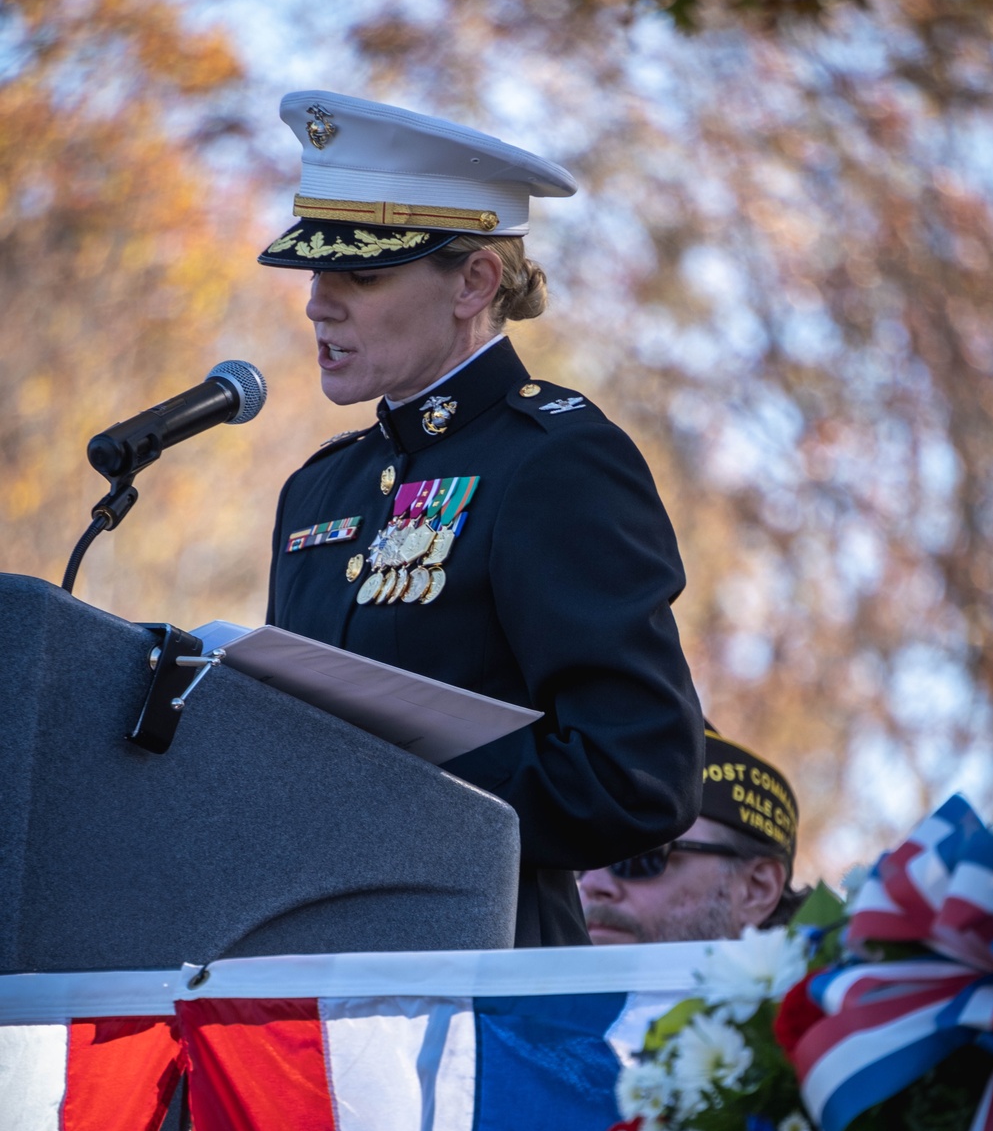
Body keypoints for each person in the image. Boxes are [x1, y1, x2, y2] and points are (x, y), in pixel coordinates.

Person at [260, 90, 703, 947]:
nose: (319, 303)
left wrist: (368, 782)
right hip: (299, 967)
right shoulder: (321, 488)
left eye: (361, 273)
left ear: (474, 282)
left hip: (478, 976)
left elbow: (635, 775)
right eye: (315, 273)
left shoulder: (556, 462)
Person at [579, 726, 807, 943]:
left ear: (755, 891)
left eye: (640, 856)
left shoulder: (833, 984)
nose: (591, 883)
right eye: (581, 857)